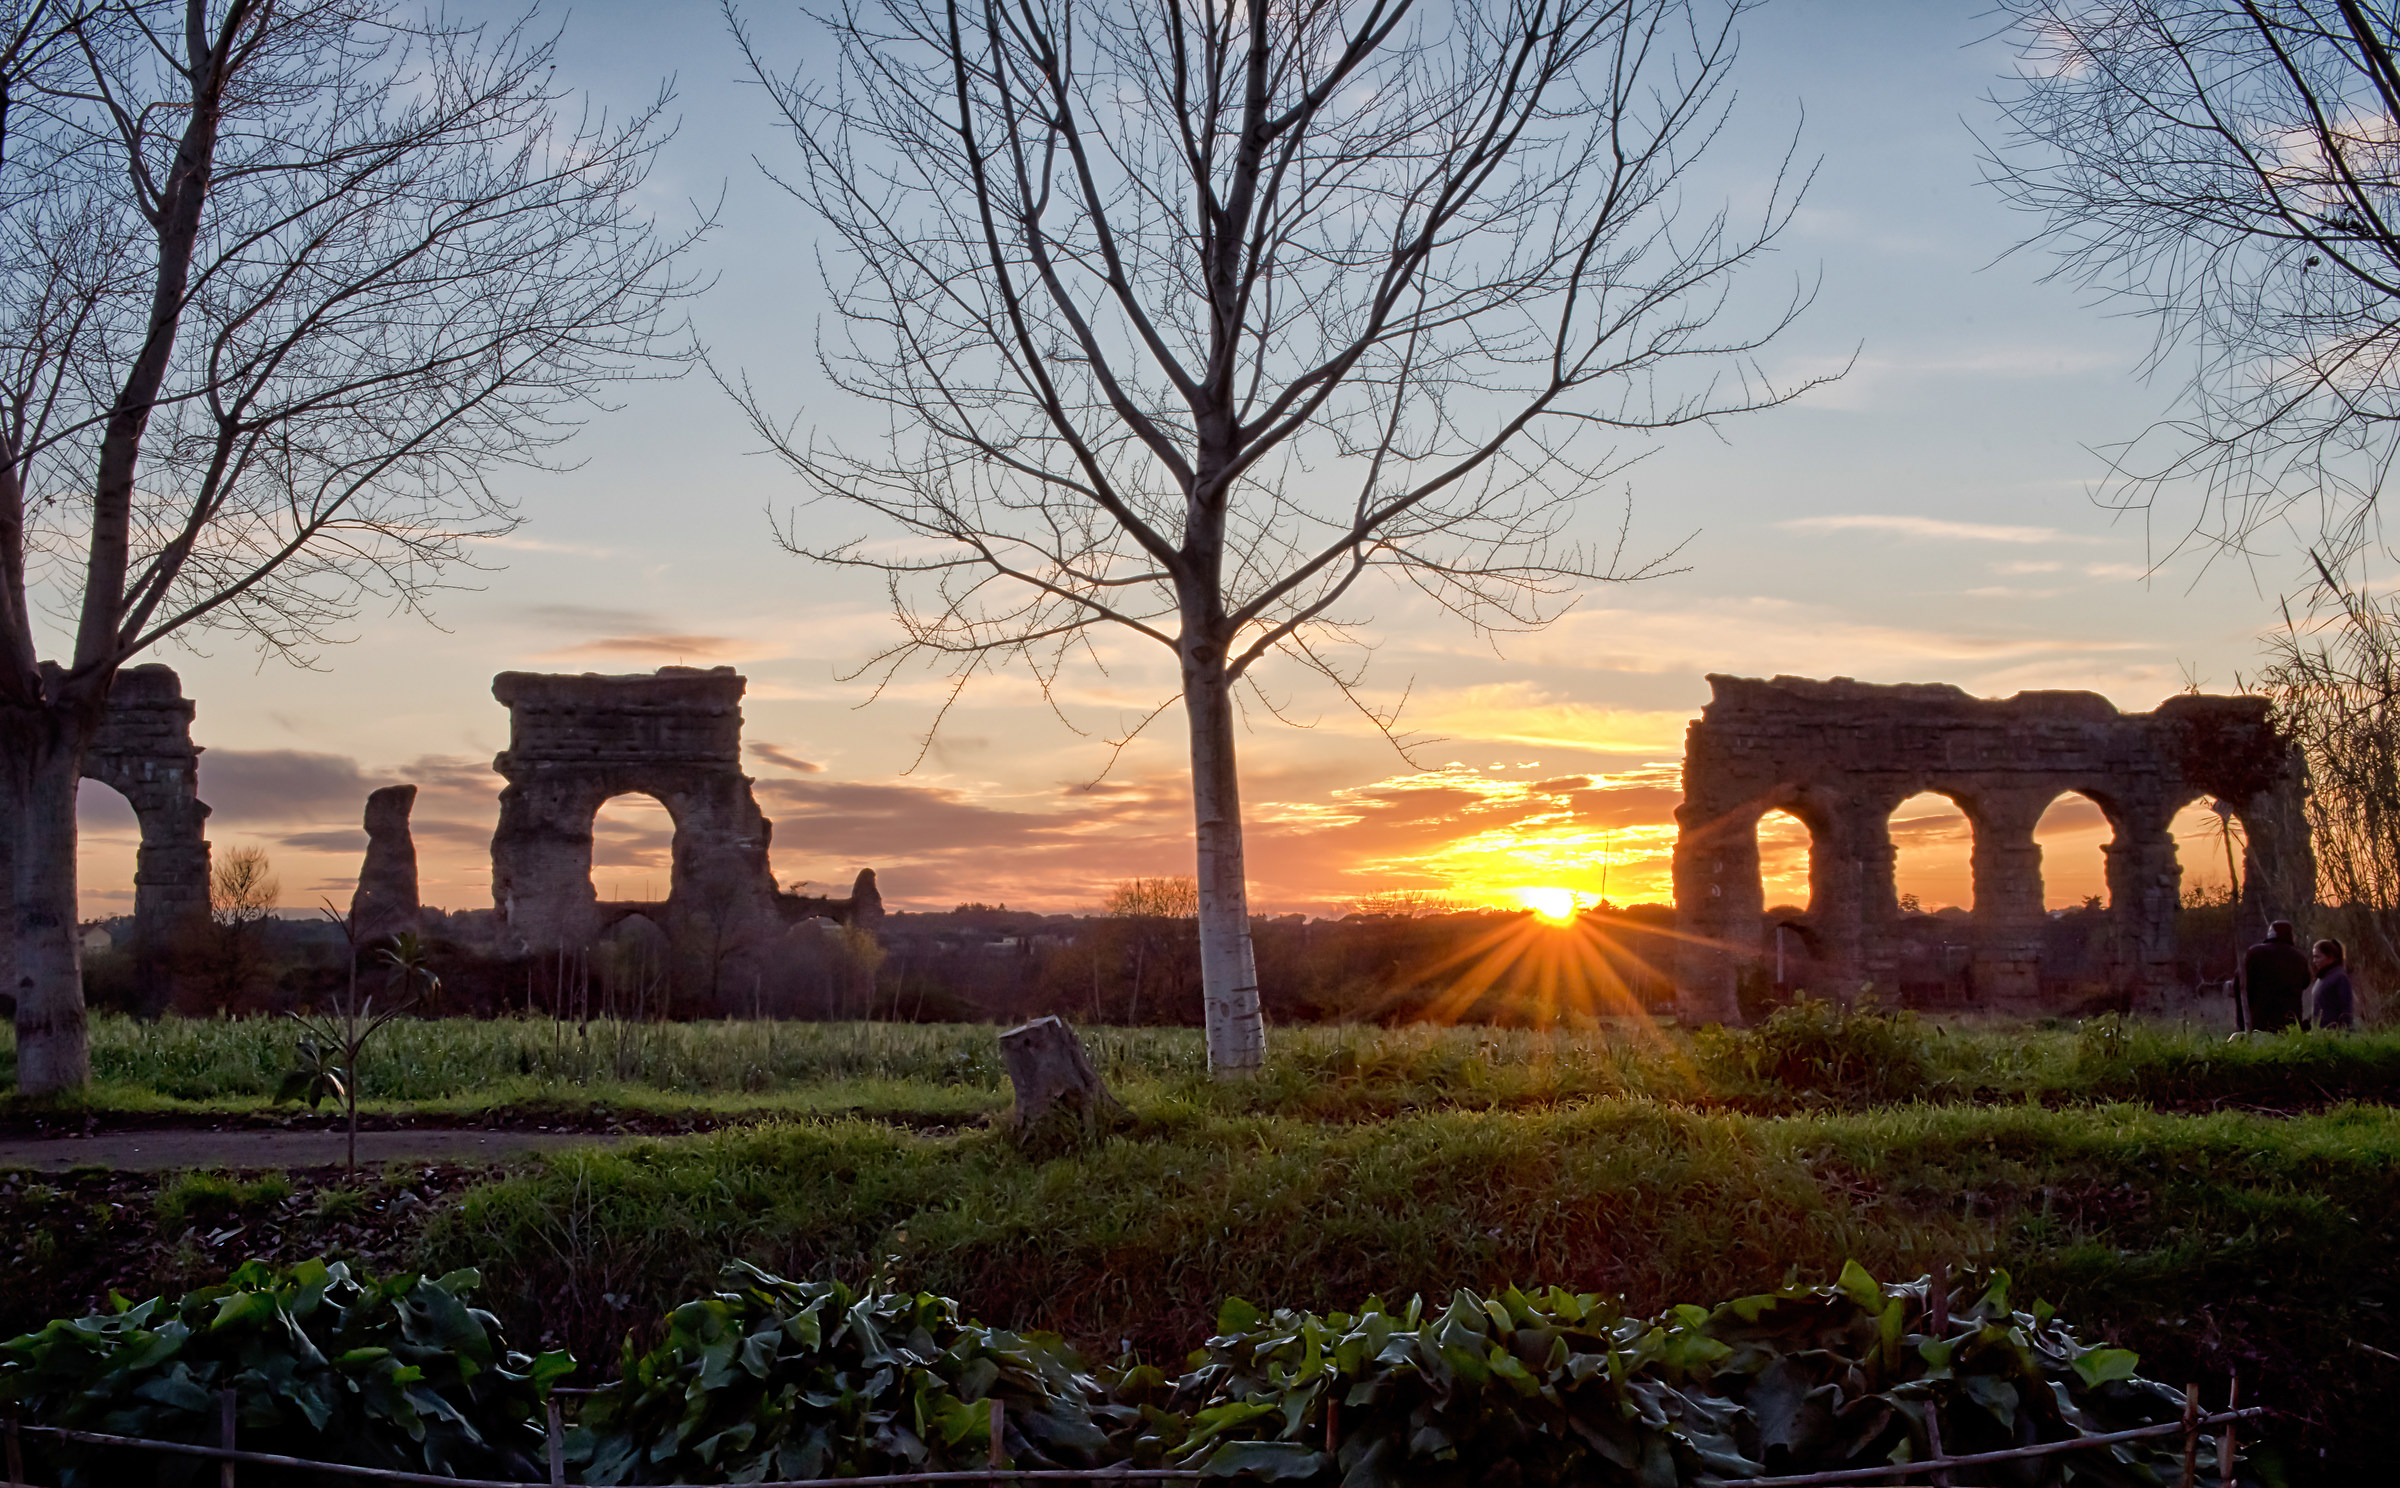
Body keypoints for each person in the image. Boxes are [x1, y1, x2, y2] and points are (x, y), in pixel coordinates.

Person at [2242, 920, 2312, 1032]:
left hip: (2262, 1016)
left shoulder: (2255, 953)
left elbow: (2247, 985)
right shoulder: (2299, 957)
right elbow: (2305, 982)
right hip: (2290, 1017)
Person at [2309, 938, 2356, 1031]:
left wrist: (2346, 1034)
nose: (2314, 961)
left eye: (2317, 957)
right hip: (2321, 1033)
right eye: (2313, 957)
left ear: (2330, 957)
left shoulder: (2340, 977)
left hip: (2333, 1034)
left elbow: (2346, 1010)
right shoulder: (2322, 978)